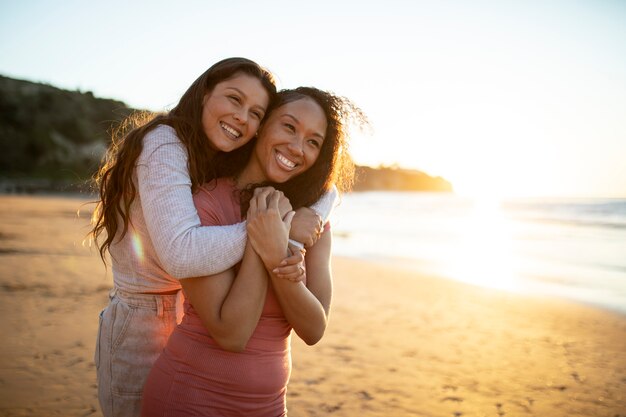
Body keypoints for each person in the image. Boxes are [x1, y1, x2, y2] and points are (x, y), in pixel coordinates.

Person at [91, 59, 337, 417]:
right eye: (234, 99)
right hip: (141, 318)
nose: (242, 117)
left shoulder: (215, 159)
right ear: (204, 92)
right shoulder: (166, 145)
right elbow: (182, 253)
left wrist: (310, 215)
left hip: (181, 311)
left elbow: (328, 188)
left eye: (254, 112)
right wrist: (269, 233)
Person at [141, 87, 367, 416]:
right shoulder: (207, 203)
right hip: (190, 397)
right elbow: (232, 333)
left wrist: (280, 252)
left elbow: (314, 328)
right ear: (261, 125)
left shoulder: (309, 220)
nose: (297, 147)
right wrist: (265, 239)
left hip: (269, 407)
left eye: (313, 141)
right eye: (288, 127)